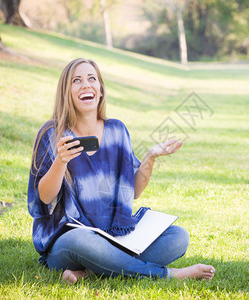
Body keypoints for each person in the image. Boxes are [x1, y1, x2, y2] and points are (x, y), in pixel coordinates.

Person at [27, 58, 215, 283]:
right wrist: (60, 162)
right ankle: (170, 275)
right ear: (65, 91)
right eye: (76, 80)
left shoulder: (117, 130)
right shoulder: (51, 133)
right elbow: (44, 198)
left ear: (101, 89)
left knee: (178, 237)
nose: (86, 85)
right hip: (69, 241)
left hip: (114, 236)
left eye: (92, 79)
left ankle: (89, 273)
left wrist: (150, 158)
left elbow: (133, 191)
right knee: (82, 240)